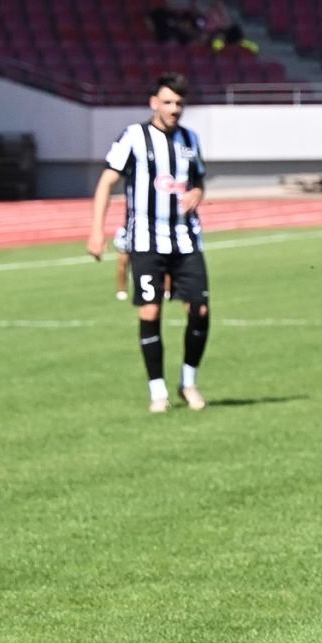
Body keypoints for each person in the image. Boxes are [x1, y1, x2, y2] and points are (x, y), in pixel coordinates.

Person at [86, 73, 210, 413]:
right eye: (167, 102)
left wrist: (197, 192)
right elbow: (107, 181)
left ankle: (188, 382)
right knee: (150, 310)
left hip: (186, 239)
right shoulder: (134, 137)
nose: (174, 109)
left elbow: (198, 179)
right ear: (154, 103)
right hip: (146, 240)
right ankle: (158, 391)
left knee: (199, 310)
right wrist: (96, 230)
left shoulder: (190, 139)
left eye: (179, 103)